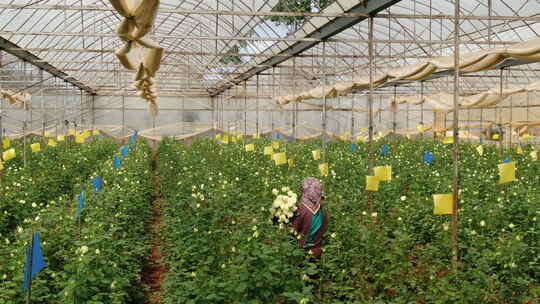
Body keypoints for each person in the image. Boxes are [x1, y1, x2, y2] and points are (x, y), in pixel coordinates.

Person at [292, 177, 330, 259]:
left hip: (301, 252)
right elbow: (325, 226)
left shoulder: (301, 210)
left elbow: (293, 230)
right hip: (317, 250)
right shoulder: (323, 210)